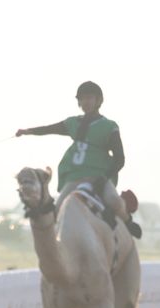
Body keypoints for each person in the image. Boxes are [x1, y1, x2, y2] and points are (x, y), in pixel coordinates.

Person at [15, 80, 140, 237]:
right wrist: (28, 131)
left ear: (98, 101)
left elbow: (120, 159)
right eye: (82, 99)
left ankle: (128, 223)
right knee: (58, 208)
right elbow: (49, 129)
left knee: (114, 201)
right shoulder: (73, 123)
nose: (85, 102)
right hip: (74, 178)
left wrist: (104, 178)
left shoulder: (109, 126)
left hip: (98, 177)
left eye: (89, 98)